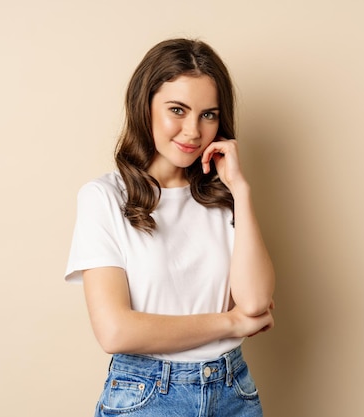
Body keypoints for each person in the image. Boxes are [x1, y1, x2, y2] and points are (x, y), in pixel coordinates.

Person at [65, 38, 275, 417]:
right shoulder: (104, 197)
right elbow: (115, 332)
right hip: (147, 395)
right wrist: (230, 321)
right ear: (144, 106)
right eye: (177, 110)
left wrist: (241, 191)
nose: (193, 131)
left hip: (233, 392)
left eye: (208, 114)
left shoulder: (222, 197)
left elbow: (257, 302)